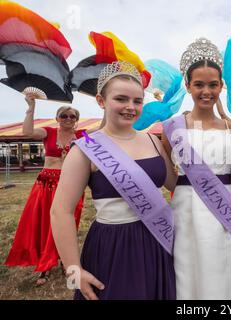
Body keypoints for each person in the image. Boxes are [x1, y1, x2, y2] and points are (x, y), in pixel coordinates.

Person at [51, 61, 177, 300]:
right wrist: (73, 269)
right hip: (114, 246)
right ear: (101, 101)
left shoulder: (152, 141)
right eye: (121, 99)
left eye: (137, 101)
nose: (131, 107)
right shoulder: (85, 148)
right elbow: (61, 211)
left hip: (158, 240)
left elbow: (177, 186)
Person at [162, 38, 231, 300]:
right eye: (199, 84)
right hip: (185, 205)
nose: (206, 91)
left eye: (213, 85)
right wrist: (185, 189)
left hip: (223, 204)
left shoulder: (230, 129)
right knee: (187, 264)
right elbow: (165, 165)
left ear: (221, 86)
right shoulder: (173, 126)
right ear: (188, 85)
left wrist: (224, 195)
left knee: (222, 260)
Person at [5, 94, 86, 286]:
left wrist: (107, 109)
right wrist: (31, 107)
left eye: (72, 116)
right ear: (58, 118)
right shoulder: (48, 132)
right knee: (45, 223)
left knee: (68, 224)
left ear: (76, 120)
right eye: (64, 116)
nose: (68, 119)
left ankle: (66, 262)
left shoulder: (83, 136)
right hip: (47, 184)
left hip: (71, 184)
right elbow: (27, 131)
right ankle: (45, 266)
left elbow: (102, 135)